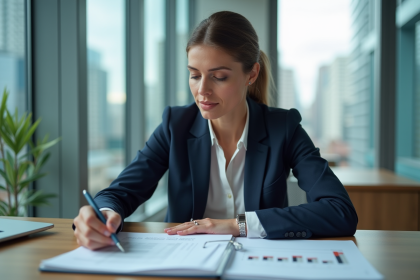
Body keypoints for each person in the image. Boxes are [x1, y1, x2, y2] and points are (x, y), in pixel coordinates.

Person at [73, 11, 358, 250]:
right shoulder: (176, 125)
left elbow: (339, 211)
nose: (202, 90)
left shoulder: (284, 128)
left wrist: (236, 225)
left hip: (259, 265)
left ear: (252, 74)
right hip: (187, 266)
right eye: (194, 75)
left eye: (219, 77)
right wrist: (104, 215)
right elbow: (121, 192)